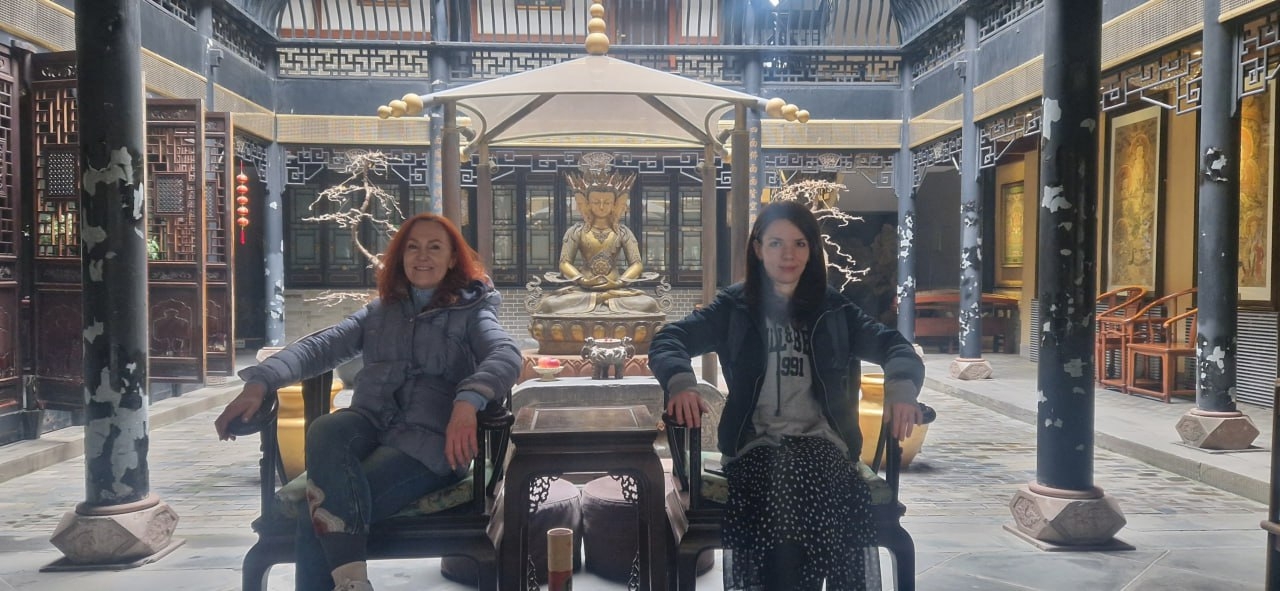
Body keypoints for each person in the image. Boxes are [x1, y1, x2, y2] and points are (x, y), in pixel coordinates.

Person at [214, 213, 521, 591]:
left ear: (452, 258)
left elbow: (506, 354)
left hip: (429, 444)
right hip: (371, 423)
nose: (422, 256)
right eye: (412, 247)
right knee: (327, 427)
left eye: (434, 247)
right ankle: (354, 583)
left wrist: (468, 401)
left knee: (318, 513)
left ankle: (350, 583)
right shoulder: (381, 311)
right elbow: (320, 347)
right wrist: (260, 383)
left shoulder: (472, 311)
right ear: (400, 256)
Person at [649, 199, 925, 591]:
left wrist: (901, 390)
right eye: (776, 243)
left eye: (799, 243)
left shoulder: (834, 309)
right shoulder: (735, 307)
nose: (788, 254)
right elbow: (669, 339)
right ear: (758, 249)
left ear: (812, 250)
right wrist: (681, 382)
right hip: (754, 446)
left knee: (803, 483)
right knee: (787, 485)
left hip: (824, 446)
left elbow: (895, 347)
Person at [533, 168, 661, 315]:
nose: (601, 206)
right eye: (596, 202)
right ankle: (600, 300)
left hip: (616, 290)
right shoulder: (576, 231)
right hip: (584, 291)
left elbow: (637, 264)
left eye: (607, 202)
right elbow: (564, 263)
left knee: (648, 304)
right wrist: (582, 280)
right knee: (550, 305)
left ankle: (603, 300)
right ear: (587, 204)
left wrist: (619, 282)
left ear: (614, 204)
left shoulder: (623, 232)